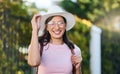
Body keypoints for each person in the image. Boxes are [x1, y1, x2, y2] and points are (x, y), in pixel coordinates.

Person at [28, 6, 82, 74]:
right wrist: (35, 30)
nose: (57, 27)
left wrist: (77, 68)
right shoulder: (37, 46)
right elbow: (33, 63)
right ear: (47, 27)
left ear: (65, 26)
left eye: (60, 23)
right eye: (52, 23)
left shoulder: (74, 50)